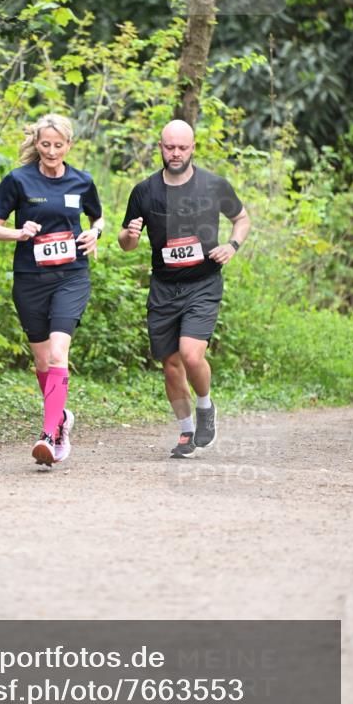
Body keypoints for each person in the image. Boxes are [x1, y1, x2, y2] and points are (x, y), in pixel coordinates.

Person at [118, 119, 251, 458]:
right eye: (169, 147)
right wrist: (130, 236)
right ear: (160, 148)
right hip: (163, 287)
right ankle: (186, 432)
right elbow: (125, 244)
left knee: (192, 355)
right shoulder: (144, 191)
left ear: (193, 148)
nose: (175, 153)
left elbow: (242, 218)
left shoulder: (214, 185)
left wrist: (232, 246)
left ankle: (206, 406)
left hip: (202, 283)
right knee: (171, 365)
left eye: (182, 147)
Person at [0, 114, 104, 466]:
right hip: (30, 278)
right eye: (45, 145)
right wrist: (20, 233)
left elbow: (97, 218)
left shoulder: (82, 181)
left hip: (71, 276)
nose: (52, 151)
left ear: (69, 145)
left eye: (58, 145)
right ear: (36, 144)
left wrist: (95, 233)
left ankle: (49, 434)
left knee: (57, 353)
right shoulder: (18, 180)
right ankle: (63, 418)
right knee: (42, 360)